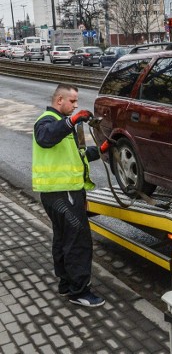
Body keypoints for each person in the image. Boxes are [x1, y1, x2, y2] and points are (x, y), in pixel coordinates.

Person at [32, 83, 109, 307]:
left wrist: (101, 150)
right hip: (63, 193)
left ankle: (66, 285)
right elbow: (45, 138)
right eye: (72, 101)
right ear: (60, 101)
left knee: (63, 239)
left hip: (61, 193)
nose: (76, 106)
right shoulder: (46, 121)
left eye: (76, 102)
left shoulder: (65, 126)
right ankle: (80, 291)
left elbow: (77, 156)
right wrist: (72, 121)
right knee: (78, 241)